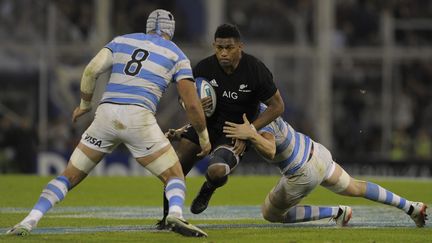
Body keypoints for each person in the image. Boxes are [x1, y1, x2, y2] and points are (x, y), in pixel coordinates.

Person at [7, 9, 210, 237]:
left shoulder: (121, 40)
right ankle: (175, 214)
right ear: (171, 30)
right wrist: (203, 137)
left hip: (105, 115)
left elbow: (92, 70)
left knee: (68, 176)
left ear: (148, 26)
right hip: (138, 118)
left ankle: (29, 220)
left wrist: (84, 105)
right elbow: (192, 105)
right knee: (173, 176)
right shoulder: (177, 54)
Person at [157, 23, 284, 228]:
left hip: (234, 131)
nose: (223, 53)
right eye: (219, 48)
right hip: (205, 126)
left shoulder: (255, 70)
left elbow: (277, 106)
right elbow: (184, 100)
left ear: (240, 47)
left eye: (229, 48)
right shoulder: (204, 67)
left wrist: (249, 131)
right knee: (176, 169)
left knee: (216, 172)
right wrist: (193, 104)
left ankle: (208, 188)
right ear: (214, 46)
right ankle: (167, 219)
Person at [222, 104, 428, 227]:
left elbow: (270, 149)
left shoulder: (257, 119)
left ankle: (335, 212)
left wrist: (250, 135)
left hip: (302, 170)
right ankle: (411, 206)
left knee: (271, 214)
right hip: (316, 151)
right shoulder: (266, 106)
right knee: (355, 186)